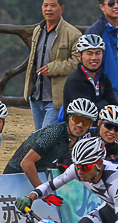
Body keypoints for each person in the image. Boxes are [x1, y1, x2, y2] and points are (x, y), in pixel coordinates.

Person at [4, 98, 98, 188]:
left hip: (39, 174)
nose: (80, 125)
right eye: (76, 119)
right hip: (15, 174)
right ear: (69, 117)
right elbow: (26, 162)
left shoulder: (79, 138)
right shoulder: (53, 133)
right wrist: (41, 191)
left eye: (86, 122)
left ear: (90, 125)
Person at [24, 0, 82, 130]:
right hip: (36, 96)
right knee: (39, 139)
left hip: (56, 98)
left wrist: (53, 68)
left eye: (53, 5)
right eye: (45, 5)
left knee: (46, 139)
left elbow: (77, 62)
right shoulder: (38, 31)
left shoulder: (73, 34)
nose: (48, 9)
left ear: (61, 9)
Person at [85, 0, 118, 112]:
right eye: (111, 3)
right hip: (104, 95)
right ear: (102, 7)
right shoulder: (96, 31)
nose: (116, 6)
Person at [63, 35, 118, 114]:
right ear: (79, 56)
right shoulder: (74, 81)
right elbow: (87, 112)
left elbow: (114, 107)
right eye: (89, 54)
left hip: (102, 125)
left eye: (98, 53)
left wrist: (99, 106)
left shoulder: (103, 78)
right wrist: (104, 103)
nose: (94, 58)